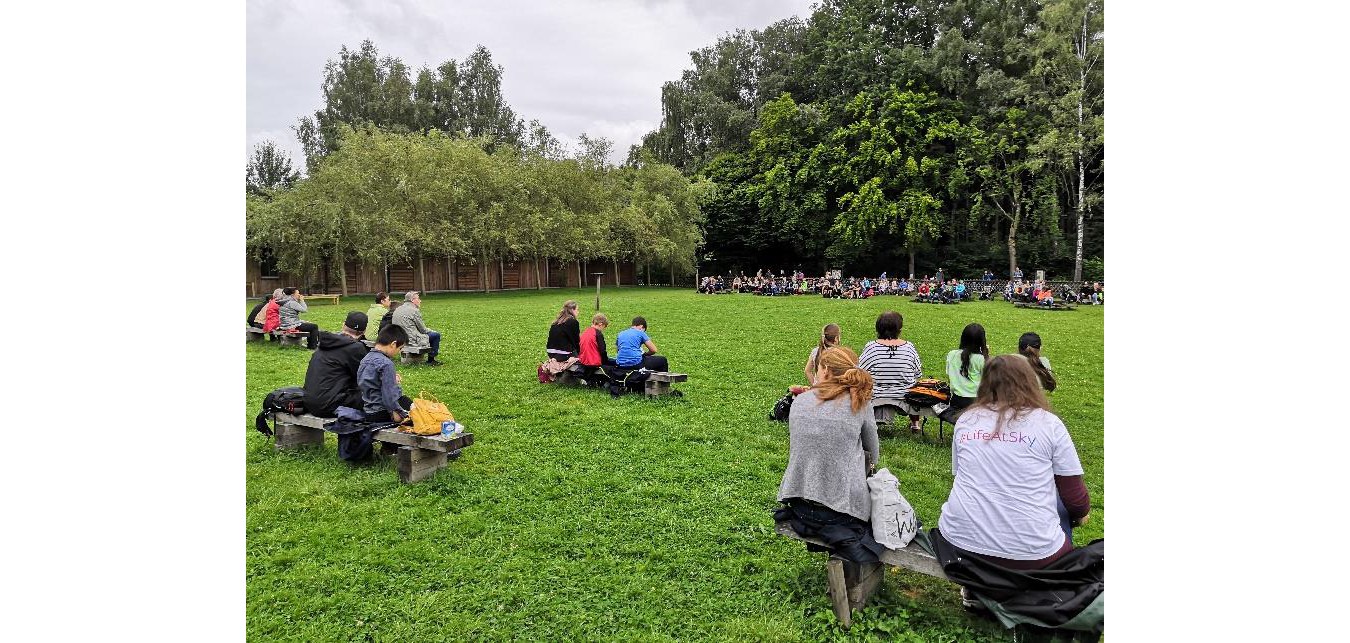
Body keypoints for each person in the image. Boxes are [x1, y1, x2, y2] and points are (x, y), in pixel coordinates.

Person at [937, 355, 1091, 573]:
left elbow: (962, 475)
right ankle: (1050, 586)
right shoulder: (1049, 424)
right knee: (1061, 506)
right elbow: (1075, 499)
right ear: (1029, 381)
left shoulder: (967, 420)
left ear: (985, 383)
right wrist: (1080, 514)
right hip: (1033, 555)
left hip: (958, 546)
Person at [774, 346, 882, 563]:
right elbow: (873, 454)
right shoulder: (859, 403)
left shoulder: (800, 401)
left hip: (800, 507)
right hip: (842, 514)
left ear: (824, 370)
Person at [858, 311, 923, 432]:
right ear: (899, 329)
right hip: (905, 395)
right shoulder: (909, 347)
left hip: (877, 394)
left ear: (878, 328)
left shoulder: (871, 347)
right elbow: (918, 373)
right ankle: (915, 424)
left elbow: (860, 371)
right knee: (915, 386)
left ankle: (866, 421)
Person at [303, 312, 371, 417]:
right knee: (376, 395)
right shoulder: (356, 348)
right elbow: (366, 378)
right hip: (330, 405)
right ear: (364, 331)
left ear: (343, 325)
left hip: (309, 402)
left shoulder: (325, 342)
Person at [357, 324, 413, 422]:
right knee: (410, 404)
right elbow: (389, 396)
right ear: (393, 344)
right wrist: (399, 414)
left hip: (369, 411)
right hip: (382, 413)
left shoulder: (365, 359)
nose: (398, 352)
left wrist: (392, 378)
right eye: (400, 348)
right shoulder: (386, 364)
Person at [945, 323, 988, 418]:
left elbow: (949, 378)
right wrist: (986, 354)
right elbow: (987, 383)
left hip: (956, 401)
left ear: (963, 338)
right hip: (976, 401)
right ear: (982, 341)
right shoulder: (981, 359)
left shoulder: (952, 354)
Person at [391, 291, 441, 366]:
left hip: (399, 339)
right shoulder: (414, 311)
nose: (420, 301)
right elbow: (423, 330)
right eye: (418, 298)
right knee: (436, 335)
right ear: (412, 300)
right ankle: (431, 360)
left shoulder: (397, 309)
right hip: (411, 340)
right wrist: (432, 330)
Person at [546, 299, 581, 364]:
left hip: (550, 352)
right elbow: (576, 341)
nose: (578, 312)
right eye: (577, 309)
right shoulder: (573, 322)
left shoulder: (556, 322)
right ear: (572, 310)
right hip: (563, 354)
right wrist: (579, 353)